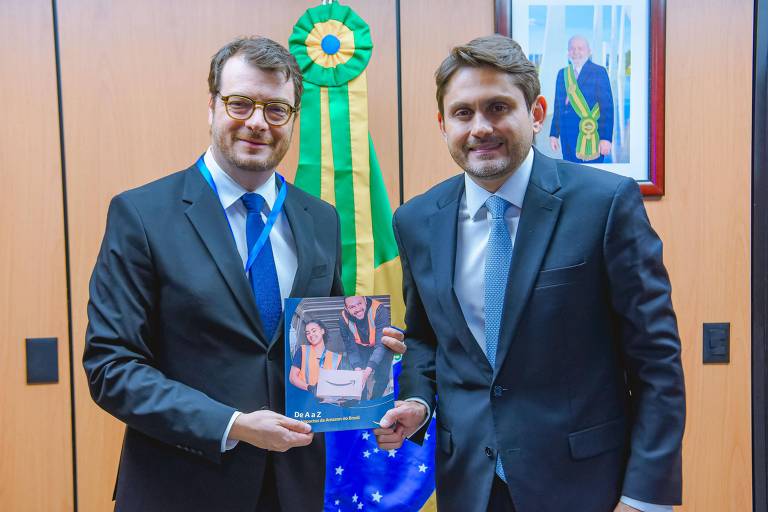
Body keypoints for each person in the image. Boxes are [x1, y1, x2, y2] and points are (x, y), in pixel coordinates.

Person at [83, 36, 405, 512]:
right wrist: (233, 424)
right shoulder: (142, 214)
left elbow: (322, 346)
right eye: (240, 104)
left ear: (293, 120)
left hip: (294, 487)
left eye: (276, 109)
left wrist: (368, 360)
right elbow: (112, 367)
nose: (257, 121)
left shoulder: (320, 218)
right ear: (212, 105)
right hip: (181, 487)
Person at [375, 35, 684, 512]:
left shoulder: (605, 205)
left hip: (585, 486)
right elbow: (426, 340)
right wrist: (418, 401)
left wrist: (644, 498)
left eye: (497, 107)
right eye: (462, 113)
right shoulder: (416, 220)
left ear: (536, 113)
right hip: (470, 486)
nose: (480, 128)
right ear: (442, 124)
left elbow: (656, 362)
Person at [549, 35, 614, 163]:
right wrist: (553, 134)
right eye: (572, 49)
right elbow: (558, 106)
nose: (576, 52)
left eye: (580, 48)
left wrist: (606, 138)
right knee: (570, 175)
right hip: (566, 135)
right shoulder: (562, 74)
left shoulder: (599, 72)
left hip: (592, 134)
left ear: (589, 52)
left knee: (592, 177)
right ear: (568, 52)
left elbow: (607, 107)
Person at [338, 296, 394, 399]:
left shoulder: (380, 310)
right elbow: (350, 347)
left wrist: (368, 371)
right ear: (346, 309)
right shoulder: (343, 319)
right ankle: (362, 402)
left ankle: (375, 400)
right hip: (361, 347)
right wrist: (357, 368)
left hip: (381, 345)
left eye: (359, 303)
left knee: (383, 376)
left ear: (365, 300)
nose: (357, 309)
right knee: (359, 376)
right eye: (352, 307)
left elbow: (381, 345)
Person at [289, 319, 343, 395]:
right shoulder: (302, 351)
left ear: (322, 331)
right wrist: (309, 388)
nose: (311, 335)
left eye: (314, 331)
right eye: (308, 333)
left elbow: (339, 384)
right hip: (304, 399)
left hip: (327, 401)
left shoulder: (337, 358)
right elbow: (292, 377)